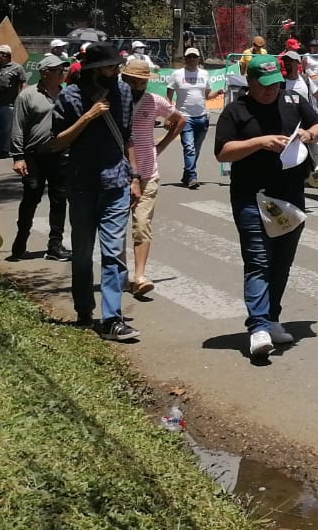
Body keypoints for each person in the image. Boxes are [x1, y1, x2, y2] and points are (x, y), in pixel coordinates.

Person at [213, 55, 318, 359]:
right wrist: (260, 142)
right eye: (263, 85)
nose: (270, 91)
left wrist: (308, 133)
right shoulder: (235, 111)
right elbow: (222, 152)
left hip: (291, 198)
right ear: (249, 82)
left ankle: (272, 318)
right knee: (258, 262)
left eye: (275, 84)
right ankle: (258, 327)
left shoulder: (292, 100)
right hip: (252, 199)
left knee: (281, 263)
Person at [50, 42, 142, 342]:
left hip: (116, 182)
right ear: (92, 70)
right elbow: (58, 142)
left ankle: (112, 319)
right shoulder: (70, 96)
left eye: (117, 66)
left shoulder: (124, 92)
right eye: (110, 67)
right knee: (82, 252)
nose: (116, 71)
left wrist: (135, 175)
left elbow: (127, 137)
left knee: (114, 251)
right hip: (82, 183)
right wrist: (88, 116)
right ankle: (84, 309)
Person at [121, 57, 185, 298]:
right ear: (125, 79)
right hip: (119, 174)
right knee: (117, 229)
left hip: (148, 173)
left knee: (142, 225)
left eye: (143, 82)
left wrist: (162, 145)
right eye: (135, 82)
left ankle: (139, 276)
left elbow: (179, 120)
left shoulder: (154, 101)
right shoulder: (115, 102)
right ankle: (120, 275)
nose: (139, 86)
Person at [9, 54, 71, 261]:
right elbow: (17, 127)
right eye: (58, 71)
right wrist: (18, 157)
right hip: (34, 156)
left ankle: (55, 245)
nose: (62, 74)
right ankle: (20, 240)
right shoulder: (27, 95)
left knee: (59, 200)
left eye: (64, 71)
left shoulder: (67, 94)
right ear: (44, 73)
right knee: (31, 198)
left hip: (61, 155)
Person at [167, 47, 214, 188]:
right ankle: (192, 176)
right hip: (184, 117)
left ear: (199, 59)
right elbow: (168, 97)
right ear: (185, 59)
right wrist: (169, 116)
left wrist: (219, 92)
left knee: (196, 149)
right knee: (189, 148)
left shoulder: (204, 74)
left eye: (194, 57)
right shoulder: (177, 74)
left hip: (201, 117)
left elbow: (207, 96)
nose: (192, 59)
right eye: (189, 57)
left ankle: (187, 174)